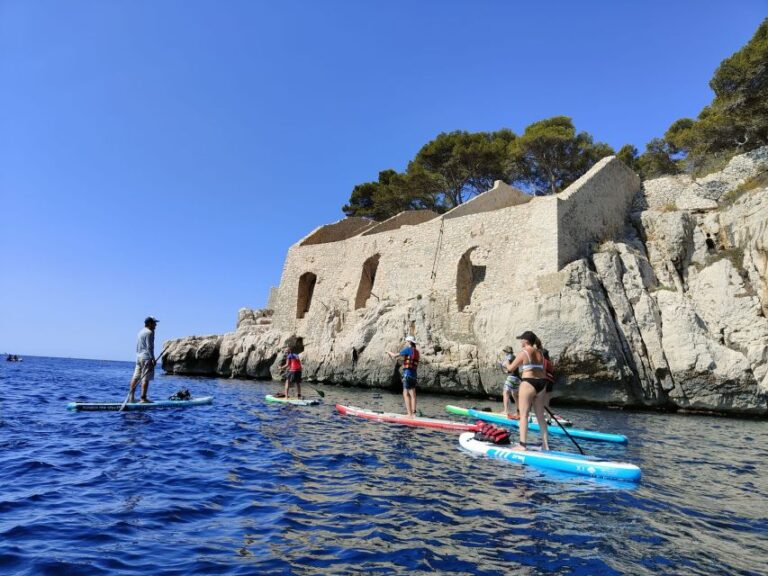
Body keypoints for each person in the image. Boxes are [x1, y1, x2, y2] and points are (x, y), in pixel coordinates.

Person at [505, 330, 549, 451]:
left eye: (521, 339)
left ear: (526, 341)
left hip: (528, 383)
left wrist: (505, 362)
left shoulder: (524, 352)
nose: (520, 341)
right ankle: (546, 445)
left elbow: (510, 368)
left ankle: (522, 445)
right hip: (541, 384)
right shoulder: (541, 353)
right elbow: (543, 371)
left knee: (524, 415)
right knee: (541, 417)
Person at [127, 316, 159, 403]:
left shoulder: (140, 332)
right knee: (145, 378)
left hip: (138, 357)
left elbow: (138, 346)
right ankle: (143, 398)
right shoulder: (150, 332)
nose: (155, 325)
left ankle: (131, 398)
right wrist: (153, 359)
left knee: (136, 377)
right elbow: (149, 347)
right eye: (154, 323)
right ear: (149, 323)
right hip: (146, 358)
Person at [387, 335, 420, 418]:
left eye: (407, 341)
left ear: (409, 342)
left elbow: (395, 356)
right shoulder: (416, 352)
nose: (406, 343)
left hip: (407, 374)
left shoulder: (408, 350)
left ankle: (409, 414)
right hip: (414, 375)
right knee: (413, 394)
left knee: (405, 393)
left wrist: (388, 352)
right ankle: (414, 413)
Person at [500, 345, 520, 419]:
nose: (504, 353)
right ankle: (518, 411)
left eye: (505, 351)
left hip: (511, 378)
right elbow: (511, 369)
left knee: (505, 392)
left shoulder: (509, 357)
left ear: (507, 351)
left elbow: (508, 366)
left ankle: (506, 411)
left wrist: (503, 364)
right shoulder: (514, 357)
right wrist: (506, 371)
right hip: (517, 378)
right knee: (515, 394)